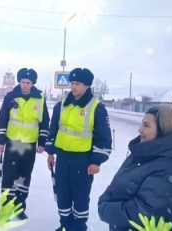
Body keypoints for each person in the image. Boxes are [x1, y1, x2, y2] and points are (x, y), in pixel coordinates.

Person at [98, 105, 172, 231]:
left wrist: (105, 208)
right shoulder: (143, 152)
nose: (140, 130)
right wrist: (109, 196)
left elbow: (142, 213)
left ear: (164, 132)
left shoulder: (170, 168)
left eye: (146, 125)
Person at [46, 68, 112, 231]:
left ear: (87, 86)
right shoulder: (61, 105)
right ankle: (65, 225)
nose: (73, 87)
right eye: (72, 83)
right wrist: (50, 152)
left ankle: (78, 227)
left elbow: (104, 139)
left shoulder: (97, 108)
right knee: (62, 195)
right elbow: (53, 130)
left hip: (83, 161)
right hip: (62, 158)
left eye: (78, 84)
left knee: (80, 197)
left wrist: (97, 161)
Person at [0, 67, 50, 220]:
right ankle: (5, 209)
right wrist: (0, 140)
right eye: (23, 82)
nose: (25, 85)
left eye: (28, 82)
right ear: (19, 82)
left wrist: (42, 141)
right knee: (8, 177)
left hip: (29, 144)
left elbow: (44, 121)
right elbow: (2, 119)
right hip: (13, 143)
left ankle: (19, 207)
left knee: (24, 177)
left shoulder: (40, 98)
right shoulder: (11, 97)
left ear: (33, 83)